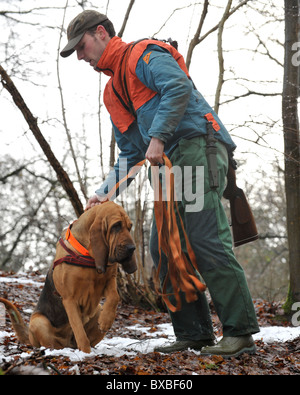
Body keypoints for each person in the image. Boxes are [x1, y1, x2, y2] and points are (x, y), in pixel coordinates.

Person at [60, 9, 259, 357]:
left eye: (82, 45)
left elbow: (178, 87)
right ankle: (194, 333)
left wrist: (159, 135)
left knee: (204, 238)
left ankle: (240, 333)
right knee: (163, 247)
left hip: (195, 148)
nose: (79, 55)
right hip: (168, 166)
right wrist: (102, 193)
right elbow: (130, 152)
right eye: (74, 50)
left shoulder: (143, 54)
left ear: (102, 33)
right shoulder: (112, 93)